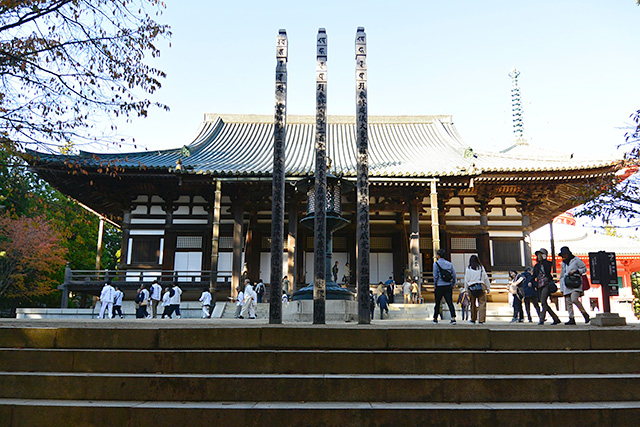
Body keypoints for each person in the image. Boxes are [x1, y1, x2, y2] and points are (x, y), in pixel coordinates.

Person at [558, 246, 590, 325]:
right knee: (568, 301)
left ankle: (584, 313)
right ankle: (571, 318)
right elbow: (562, 275)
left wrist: (576, 271)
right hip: (566, 283)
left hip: (576, 282)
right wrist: (561, 287)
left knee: (574, 299)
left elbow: (584, 269)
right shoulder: (563, 263)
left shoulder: (577, 260)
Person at [532, 248, 561, 325]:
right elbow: (534, 275)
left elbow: (548, 271)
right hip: (539, 284)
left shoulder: (548, 263)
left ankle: (541, 319)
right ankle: (555, 318)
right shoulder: (537, 265)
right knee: (543, 302)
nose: (539, 256)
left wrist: (544, 260)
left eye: (541, 254)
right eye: (538, 254)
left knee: (543, 301)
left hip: (546, 283)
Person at [432, 249, 457, 325]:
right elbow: (454, 274)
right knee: (449, 302)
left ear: (438, 256)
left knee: (437, 302)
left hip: (439, 285)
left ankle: (435, 318)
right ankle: (453, 318)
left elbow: (435, 276)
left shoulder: (436, 264)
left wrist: (435, 284)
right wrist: (453, 284)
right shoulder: (449, 264)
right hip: (448, 285)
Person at [464, 255, 490, 324]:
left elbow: (466, 279)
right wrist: (488, 287)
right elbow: (485, 278)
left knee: (472, 304)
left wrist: (466, 289)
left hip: (471, 287)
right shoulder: (481, 268)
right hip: (480, 286)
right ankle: (481, 320)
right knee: (482, 304)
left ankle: (473, 319)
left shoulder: (468, 269)